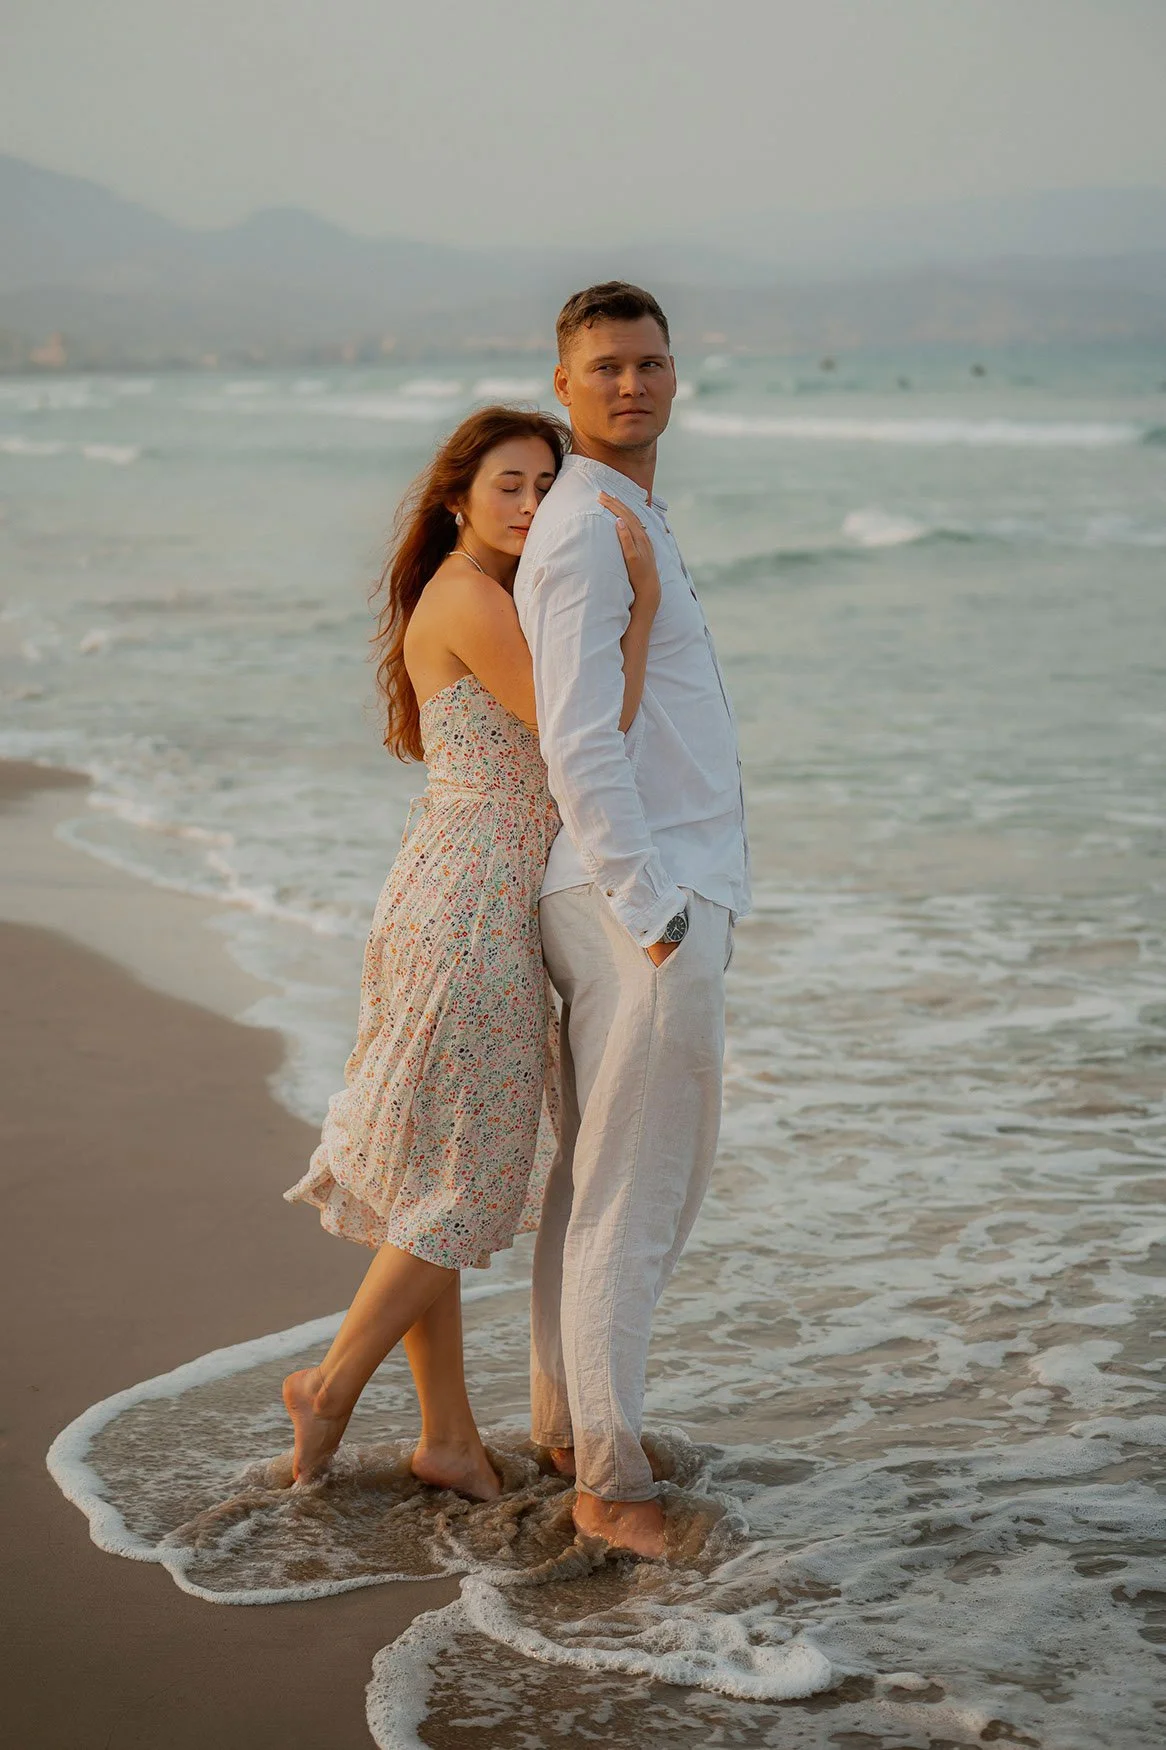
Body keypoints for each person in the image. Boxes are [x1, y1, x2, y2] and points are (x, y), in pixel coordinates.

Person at [281, 405, 662, 1500]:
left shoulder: (483, 594)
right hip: (469, 910)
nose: (534, 504)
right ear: (457, 495)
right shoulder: (467, 596)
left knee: (428, 1175)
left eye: (549, 484)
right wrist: (634, 622)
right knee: (463, 1175)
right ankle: (332, 1383)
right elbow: (590, 735)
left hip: (451, 893)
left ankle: (446, 1433)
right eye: (510, 483)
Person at [514, 283, 751, 1557]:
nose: (630, 384)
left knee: (596, 1184)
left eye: (649, 362)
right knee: (634, 1190)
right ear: (563, 386)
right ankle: (607, 1484)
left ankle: (568, 1426)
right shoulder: (587, 527)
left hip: (639, 884)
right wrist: (651, 902)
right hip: (634, 892)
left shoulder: (626, 514)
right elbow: (574, 739)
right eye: (603, 367)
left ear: (675, 375)